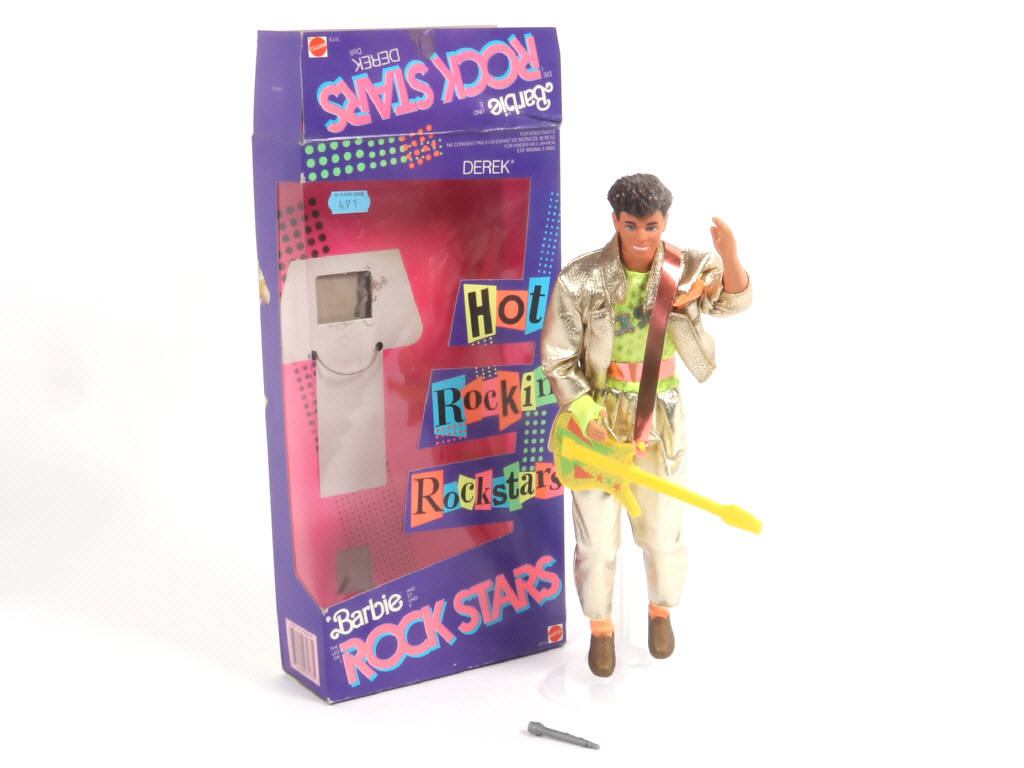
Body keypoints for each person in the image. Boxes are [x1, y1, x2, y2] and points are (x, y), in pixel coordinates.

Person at [540, 173, 752, 676]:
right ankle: (601, 626)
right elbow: (558, 357)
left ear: (665, 222)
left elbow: (734, 301)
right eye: (631, 224)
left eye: (651, 226)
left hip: (661, 413)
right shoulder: (580, 279)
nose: (640, 236)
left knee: (662, 528)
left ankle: (661, 610)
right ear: (615, 220)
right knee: (596, 537)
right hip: (599, 414)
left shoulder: (689, 269)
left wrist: (730, 257)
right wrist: (584, 413)